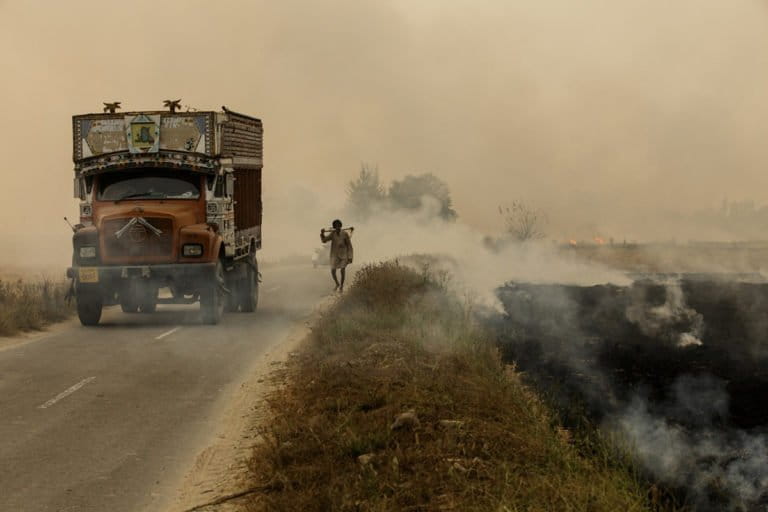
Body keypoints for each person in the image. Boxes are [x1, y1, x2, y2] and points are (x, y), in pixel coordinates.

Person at [320, 219, 354, 292]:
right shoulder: (333, 234)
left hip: (344, 254)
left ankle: (341, 286)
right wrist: (322, 234)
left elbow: (349, 245)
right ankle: (337, 284)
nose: (337, 227)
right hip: (334, 255)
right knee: (332, 271)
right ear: (334, 227)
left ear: (340, 226)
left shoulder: (345, 234)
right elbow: (324, 240)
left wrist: (350, 256)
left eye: (339, 225)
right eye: (336, 226)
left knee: (342, 270)